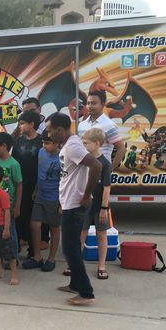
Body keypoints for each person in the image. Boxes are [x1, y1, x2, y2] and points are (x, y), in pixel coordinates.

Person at [49, 112, 101, 306]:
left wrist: (86, 196)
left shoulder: (72, 146)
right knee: (70, 248)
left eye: (50, 130)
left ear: (60, 130)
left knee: (70, 249)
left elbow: (96, 166)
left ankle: (86, 293)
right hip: (69, 202)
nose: (49, 134)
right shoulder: (69, 145)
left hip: (76, 204)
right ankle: (74, 284)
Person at [22, 130, 61, 272]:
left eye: (48, 143)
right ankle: (37, 257)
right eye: (43, 142)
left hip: (54, 197)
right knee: (35, 225)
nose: (44, 146)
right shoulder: (41, 152)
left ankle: (51, 259)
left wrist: (62, 202)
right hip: (40, 195)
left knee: (54, 228)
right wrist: (36, 189)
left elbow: (65, 181)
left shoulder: (62, 157)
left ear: (57, 143)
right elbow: (40, 172)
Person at [80, 128, 112, 280]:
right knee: (81, 233)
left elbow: (106, 187)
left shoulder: (105, 164)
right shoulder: (84, 160)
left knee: (101, 234)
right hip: (84, 204)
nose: (83, 145)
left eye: (86, 143)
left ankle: (101, 265)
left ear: (97, 144)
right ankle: (76, 264)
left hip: (99, 205)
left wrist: (104, 208)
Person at [12, 111, 42, 261]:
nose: (20, 126)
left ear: (31, 124)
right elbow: (14, 162)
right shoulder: (18, 141)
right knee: (18, 218)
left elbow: (43, 166)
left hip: (34, 187)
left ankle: (33, 251)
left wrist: (38, 187)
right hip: (19, 185)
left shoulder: (42, 142)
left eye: (22, 123)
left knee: (32, 221)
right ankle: (15, 249)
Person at [0, 132, 23, 259]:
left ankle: (13, 258)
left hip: (9, 205)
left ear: (4, 146)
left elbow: (19, 185)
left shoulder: (14, 164)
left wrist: (17, 206)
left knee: (10, 231)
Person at [78, 90, 126, 167]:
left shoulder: (109, 125)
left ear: (103, 104)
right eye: (88, 103)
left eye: (93, 103)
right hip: (82, 172)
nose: (89, 106)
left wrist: (109, 170)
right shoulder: (81, 125)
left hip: (100, 173)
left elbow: (121, 149)